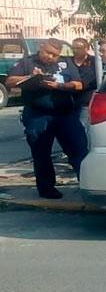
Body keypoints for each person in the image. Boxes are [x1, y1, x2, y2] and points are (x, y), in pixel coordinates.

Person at [5, 38, 89, 199]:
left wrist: (60, 86)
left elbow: (78, 84)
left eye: (55, 55)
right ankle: (46, 189)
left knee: (79, 149)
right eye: (48, 53)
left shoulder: (65, 63)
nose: (51, 57)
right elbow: (10, 81)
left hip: (65, 114)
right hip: (38, 115)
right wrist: (31, 77)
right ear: (41, 47)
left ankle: (86, 185)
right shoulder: (27, 62)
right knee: (41, 153)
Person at [71, 37, 97, 128]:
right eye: (73, 48)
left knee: (82, 128)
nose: (75, 51)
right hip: (69, 102)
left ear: (86, 49)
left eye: (78, 48)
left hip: (85, 102)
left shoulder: (94, 62)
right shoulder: (68, 62)